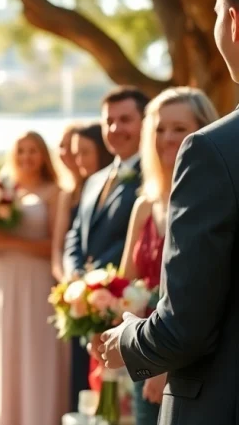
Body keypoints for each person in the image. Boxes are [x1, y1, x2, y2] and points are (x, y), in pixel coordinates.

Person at [100, 0, 239, 425]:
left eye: (216, 12)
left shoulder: (213, 151)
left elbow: (186, 328)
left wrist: (127, 339)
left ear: (235, 22)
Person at [116, 87, 218, 424]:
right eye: (160, 129)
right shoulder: (144, 205)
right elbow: (126, 285)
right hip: (143, 353)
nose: (168, 138)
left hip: (193, 360)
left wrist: (164, 364)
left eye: (180, 128)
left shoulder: (215, 200)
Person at [62, 86, 149, 410]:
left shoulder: (150, 178)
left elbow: (132, 241)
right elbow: (75, 235)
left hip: (126, 306)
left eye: (125, 119)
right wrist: (75, 276)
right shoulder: (95, 179)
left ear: (145, 122)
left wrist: (101, 282)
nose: (115, 128)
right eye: (109, 121)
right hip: (88, 304)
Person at [0, 132, 68, 425]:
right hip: (1, 281)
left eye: (33, 150)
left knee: (35, 352)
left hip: (36, 283)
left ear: (43, 155)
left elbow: (55, 247)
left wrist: (7, 242)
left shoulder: (55, 192)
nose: (27, 157)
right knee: (4, 352)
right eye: (21, 150)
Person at [52, 123, 114, 281]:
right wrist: (68, 281)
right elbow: (59, 247)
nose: (78, 160)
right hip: (73, 278)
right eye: (76, 154)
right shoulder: (70, 195)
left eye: (84, 153)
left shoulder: (116, 188)